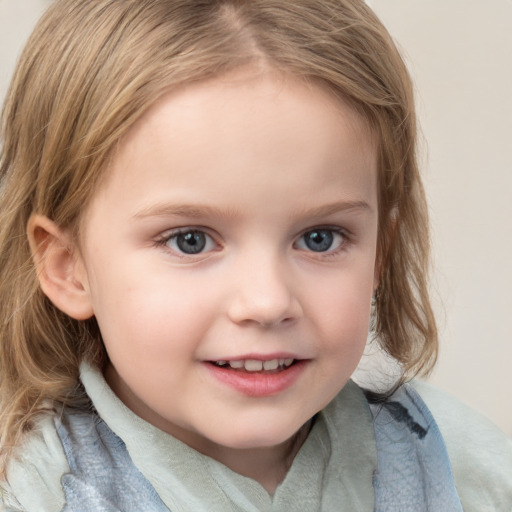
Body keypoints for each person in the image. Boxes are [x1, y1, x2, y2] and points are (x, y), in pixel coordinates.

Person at [0, 1, 510, 510]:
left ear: (380, 252)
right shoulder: (33, 489)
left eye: (320, 238)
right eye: (190, 240)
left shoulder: (456, 466)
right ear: (69, 267)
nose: (267, 302)